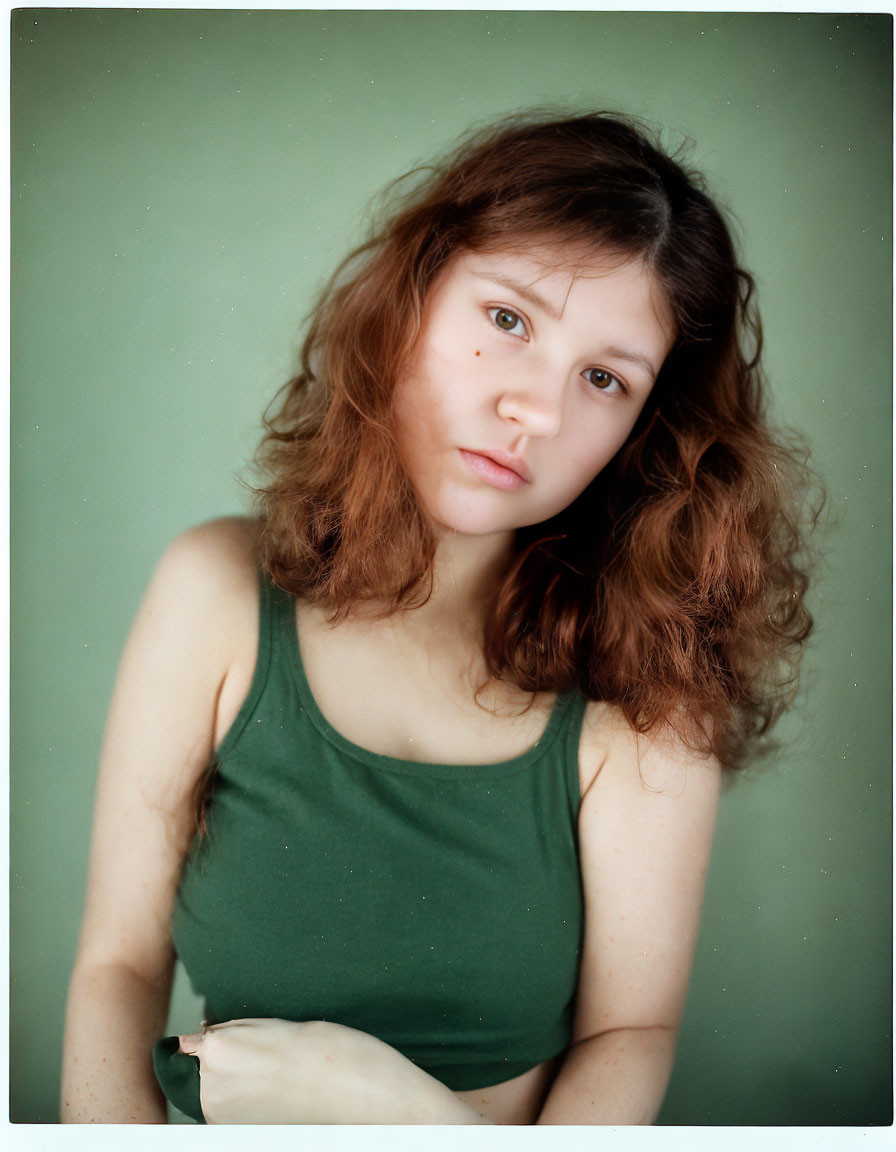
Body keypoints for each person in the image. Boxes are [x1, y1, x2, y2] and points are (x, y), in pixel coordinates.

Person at [60, 111, 813, 1125]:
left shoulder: (645, 691)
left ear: (642, 429)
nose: (537, 411)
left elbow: (627, 1037)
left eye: (603, 379)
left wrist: (381, 1104)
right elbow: (115, 967)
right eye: (508, 320)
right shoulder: (215, 593)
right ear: (414, 294)